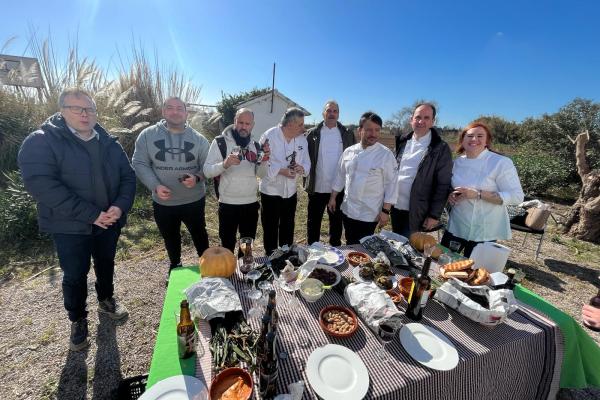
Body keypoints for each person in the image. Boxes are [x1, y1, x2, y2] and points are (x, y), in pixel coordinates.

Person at [18, 88, 136, 351]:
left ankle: (106, 300)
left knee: (106, 262)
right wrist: (91, 215)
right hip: (69, 225)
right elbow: (43, 185)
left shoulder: (108, 142)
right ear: (62, 110)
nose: (85, 114)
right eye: (77, 108)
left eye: (90, 109)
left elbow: (128, 177)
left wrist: (119, 206)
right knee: (74, 274)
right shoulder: (41, 141)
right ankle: (77, 319)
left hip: (108, 221)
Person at [132, 97, 210, 281]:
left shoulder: (199, 140)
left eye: (179, 108)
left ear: (186, 113)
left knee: (200, 234)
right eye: (170, 108)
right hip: (163, 202)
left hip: (194, 200)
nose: (175, 112)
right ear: (163, 112)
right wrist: (155, 186)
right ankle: (175, 265)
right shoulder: (147, 135)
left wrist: (198, 177)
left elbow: (208, 166)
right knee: (170, 237)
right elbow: (139, 162)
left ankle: (207, 267)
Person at [442, 122, 524, 256]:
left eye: (480, 136)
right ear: (462, 140)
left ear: (487, 141)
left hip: (485, 230)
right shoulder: (457, 163)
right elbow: (452, 186)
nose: (474, 139)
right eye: (469, 136)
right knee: (443, 263)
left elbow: (516, 196)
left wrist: (478, 194)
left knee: (474, 272)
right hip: (457, 224)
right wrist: (451, 194)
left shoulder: (500, 163)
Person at [203, 108, 269, 253]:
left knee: (247, 247)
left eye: (247, 123)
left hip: (250, 204)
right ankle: (227, 274)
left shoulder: (256, 146)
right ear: (234, 121)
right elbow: (207, 171)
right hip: (228, 204)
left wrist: (264, 162)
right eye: (240, 122)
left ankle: (245, 271)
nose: (243, 127)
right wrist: (225, 164)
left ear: (252, 125)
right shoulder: (220, 142)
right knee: (227, 244)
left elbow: (261, 174)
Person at [328, 112, 398, 244]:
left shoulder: (385, 155)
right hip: (349, 209)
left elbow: (392, 185)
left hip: (369, 213)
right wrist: (333, 197)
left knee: (364, 246)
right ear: (359, 130)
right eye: (369, 130)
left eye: (377, 130)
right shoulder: (349, 152)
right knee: (350, 240)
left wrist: (385, 211)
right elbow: (340, 175)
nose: (374, 134)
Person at [392, 103, 453, 237]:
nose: (421, 121)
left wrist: (433, 215)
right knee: (395, 244)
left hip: (418, 211)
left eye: (426, 118)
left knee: (410, 250)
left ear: (433, 121)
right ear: (411, 119)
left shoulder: (440, 148)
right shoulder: (403, 141)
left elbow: (442, 185)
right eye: (418, 117)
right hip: (396, 207)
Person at [259, 107, 310, 255]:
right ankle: (271, 255)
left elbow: (307, 162)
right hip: (271, 191)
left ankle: (286, 255)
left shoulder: (301, 139)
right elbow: (262, 162)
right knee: (270, 226)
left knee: (288, 225)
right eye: (300, 124)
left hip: (291, 191)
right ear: (289, 125)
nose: (303, 127)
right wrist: (282, 171)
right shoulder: (269, 136)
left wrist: (301, 168)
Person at [305, 100, 355, 246]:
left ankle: (335, 248)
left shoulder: (347, 134)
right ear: (323, 113)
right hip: (317, 186)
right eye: (329, 111)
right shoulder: (313, 134)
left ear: (338, 114)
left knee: (336, 221)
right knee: (313, 221)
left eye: (335, 111)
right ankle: (313, 249)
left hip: (338, 187)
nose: (332, 114)